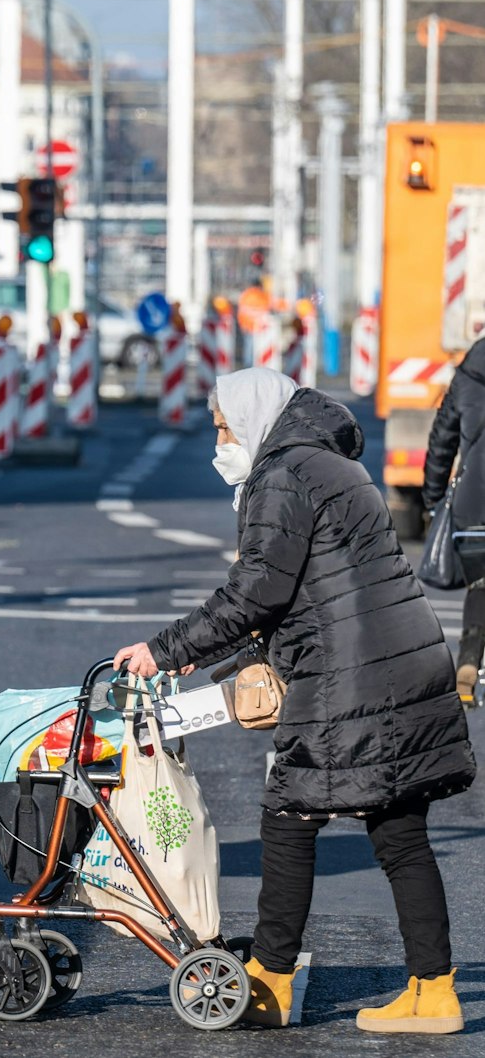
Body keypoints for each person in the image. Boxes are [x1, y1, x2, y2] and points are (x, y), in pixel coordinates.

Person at [116, 368, 474, 1034]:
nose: (220, 444)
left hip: (350, 674)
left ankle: (271, 983)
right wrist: (204, 653)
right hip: (399, 659)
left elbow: (258, 589)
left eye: (224, 429)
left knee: (289, 817)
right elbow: (300, 588)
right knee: (399, 831)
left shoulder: (282, 475)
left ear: (253, 419)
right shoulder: (329, 463)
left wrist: (163, 649)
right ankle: (434, 993)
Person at [423, 335, 485, 706]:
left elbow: (441, 440)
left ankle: (468, 661)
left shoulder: (468, 375)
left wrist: (433, 498)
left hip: (473, 506)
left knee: (480, 584)